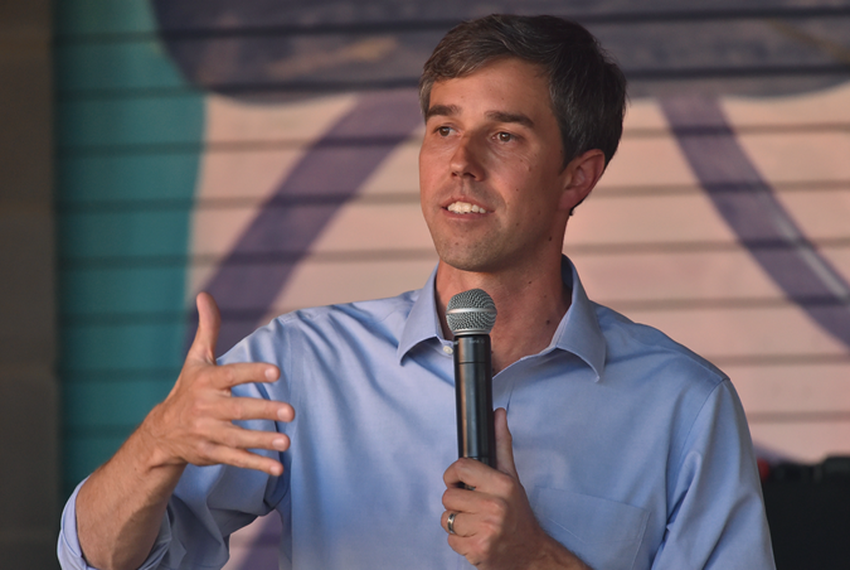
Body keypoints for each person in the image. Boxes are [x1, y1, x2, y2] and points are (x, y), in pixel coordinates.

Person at [58, 14, 775, 570]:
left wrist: (535, 558)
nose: (459, 164)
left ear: (576, 178)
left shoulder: (683, 404)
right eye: (443, 128)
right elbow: (94, 561)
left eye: (504, 136)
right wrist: (157, 445)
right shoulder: (303, 364)